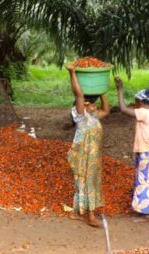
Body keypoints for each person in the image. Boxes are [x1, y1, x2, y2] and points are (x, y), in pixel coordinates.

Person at [66, 64, 110, 227]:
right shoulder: (81, 116)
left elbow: (107, 110)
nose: (95, 106)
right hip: (83, 156)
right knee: (86, 182)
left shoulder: (94, 116)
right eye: (92, 104)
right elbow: (79, 94)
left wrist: (102, 92)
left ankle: (76, 212)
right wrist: (72, 73)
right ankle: (90, 217)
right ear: (83, 105)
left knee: (86, 182)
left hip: (92, 157)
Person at [114, 77, 149, 219]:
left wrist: (120, 89)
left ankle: (143, 213)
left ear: (141, 102)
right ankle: (148, 207)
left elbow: (122, 109)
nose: (134, 104)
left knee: (143, 181)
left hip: (146, 152)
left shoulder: (144, 113)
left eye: (136, 101)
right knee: (146, 179)